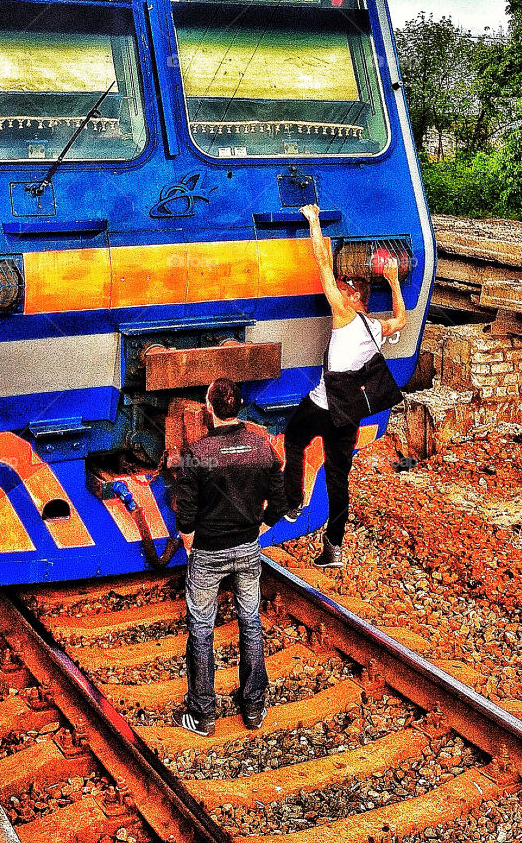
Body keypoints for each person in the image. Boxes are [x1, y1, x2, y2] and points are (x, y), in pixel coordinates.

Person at [283, 203, 407, 569]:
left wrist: (314, 220)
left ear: (353, 298)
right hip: (348, 414)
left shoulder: (344, 315)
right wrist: (395, 281)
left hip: (322, 407)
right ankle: (333, 549)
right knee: (339, 479)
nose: (335, 291)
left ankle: (292, 503)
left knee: (294, 439)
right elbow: (400, 319)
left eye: (342, 289)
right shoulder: (375, 328)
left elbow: (322, 262)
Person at [174, 377, 286, 736]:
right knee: (250, 622)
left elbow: (187, 516)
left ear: (209, 408)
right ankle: (253, 708)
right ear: (239, 407)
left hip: (208, 551)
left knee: (202, 629)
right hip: (247, 550)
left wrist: (192, 545)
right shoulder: (263, 447)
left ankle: (203, 715)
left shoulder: (196, 453)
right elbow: (283, 500)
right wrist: (261, 529)